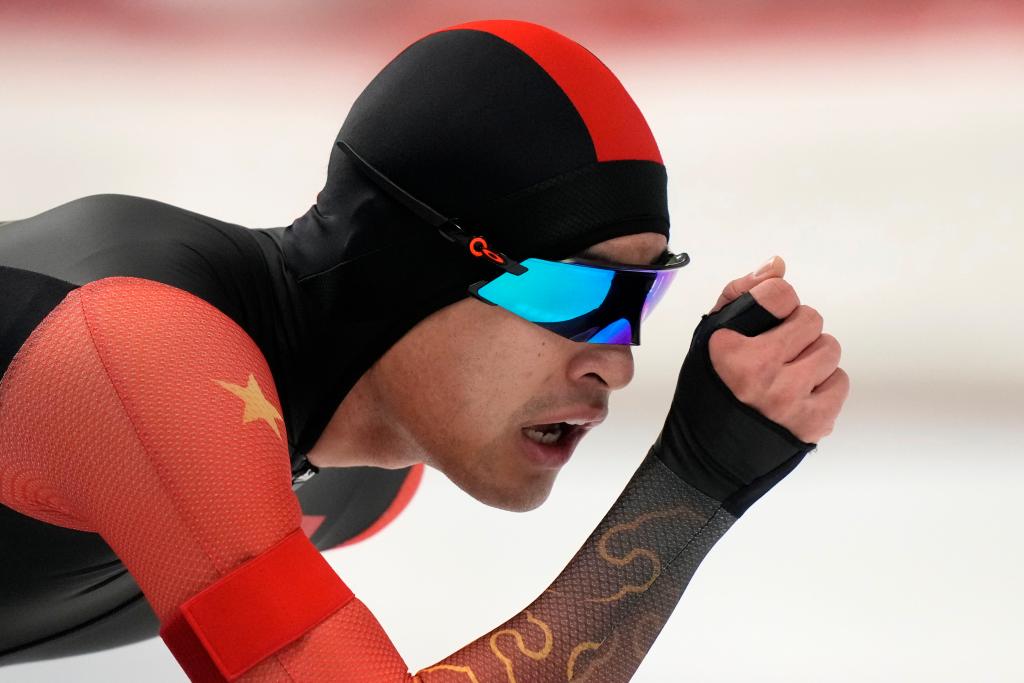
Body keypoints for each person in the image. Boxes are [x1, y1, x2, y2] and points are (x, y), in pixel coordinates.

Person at [0, 19, 849, 682]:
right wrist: (689, 486)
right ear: (411, 264)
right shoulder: (138, 351)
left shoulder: (370, 480)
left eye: (639, 300)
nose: (618, 361)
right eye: (575, 292)